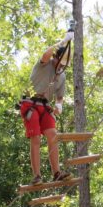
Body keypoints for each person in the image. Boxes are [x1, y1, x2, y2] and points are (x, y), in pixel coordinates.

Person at [19, 25, 75, 185]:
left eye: (64, 64)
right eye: (60, 62)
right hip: (30, 103)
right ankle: (37, 176)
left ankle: (56, 172)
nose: (61, 66)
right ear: (55, 59)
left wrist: (59, 105)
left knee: (52, 136)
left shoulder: (62, 76)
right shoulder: (45, 63)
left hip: (45, 106)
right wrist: (64, 41)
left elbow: (59, 96)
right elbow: (46, 53)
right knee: (35, 138)